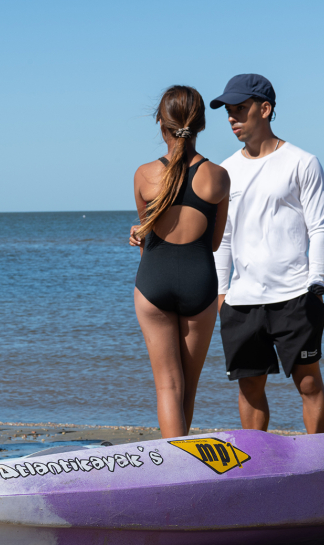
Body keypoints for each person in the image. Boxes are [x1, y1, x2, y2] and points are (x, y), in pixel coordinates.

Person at [210, 74, 324, 434]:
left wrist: (317, 281)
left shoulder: (302, 162)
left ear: (265, 109)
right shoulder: (226, 170)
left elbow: (319, 228)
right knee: (250, 387)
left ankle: (323, 465)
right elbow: (225, 237)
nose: (232, 117)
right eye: (229, 111)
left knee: (308, 384)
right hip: (242, 300)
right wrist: (221, 295)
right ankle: (255, 468)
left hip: (296, 294)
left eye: (240, 109)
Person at [128, 86, 230, 438]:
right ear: (200, 125)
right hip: (199, 280)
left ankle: (175, 466)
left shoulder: (144, 175)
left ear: (161, 124)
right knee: (188, 385)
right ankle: (186, 464)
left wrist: (141, 235)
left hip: (153, 280)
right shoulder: (218, 176)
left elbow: (146, 236)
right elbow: (214, 243)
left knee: (167, 387)